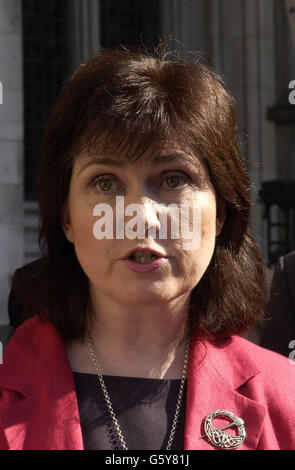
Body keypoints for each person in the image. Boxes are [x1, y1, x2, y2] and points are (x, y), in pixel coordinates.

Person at [1, 45, 295, 451]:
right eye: (106, 183)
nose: (142, 216)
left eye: (173, 179)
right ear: (66, 217)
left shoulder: (287, 398)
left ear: (221, 212)